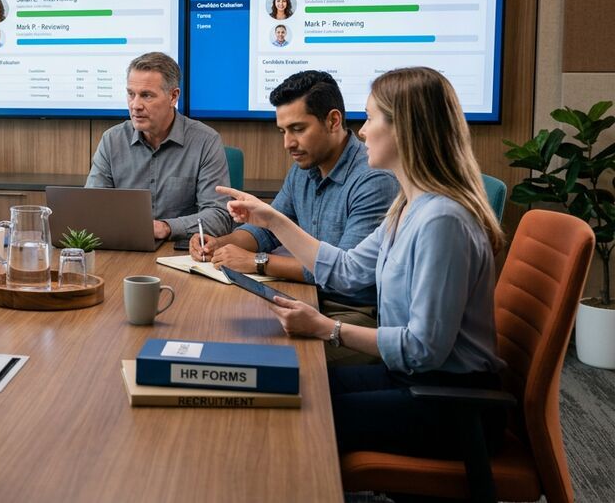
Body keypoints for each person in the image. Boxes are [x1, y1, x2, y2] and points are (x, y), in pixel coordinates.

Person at [217, 66, 506, 460]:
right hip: (409, 377)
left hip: (449, 401)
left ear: (406, 129)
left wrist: (328, 328)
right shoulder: (408, 206)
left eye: (371, 119)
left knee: (293, 417)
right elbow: (349, 270)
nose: (364, 131)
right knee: (287, 386)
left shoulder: (442, 220)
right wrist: (271, 219)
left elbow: (423, 348)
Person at [189, 70, 398, 365]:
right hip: (308, 299)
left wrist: (257, 262)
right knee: (220, 333)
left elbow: (344, 275)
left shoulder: (372, 178)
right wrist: (219, 244)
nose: (288, 143)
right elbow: (267, 230)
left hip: (353, 314)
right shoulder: (305, 166)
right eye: (283, 131)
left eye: (298, 129)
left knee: (259, 360)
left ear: (333, 121)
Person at [86, 52, 233, 240]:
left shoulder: (206, 141)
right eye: (131, 94)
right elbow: (92, 210)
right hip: (125, 247)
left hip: (180, 253)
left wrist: (167, 227)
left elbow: (219, 217)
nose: (135, 105)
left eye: (146, 95)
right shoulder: (112, 140)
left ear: (173, 96)